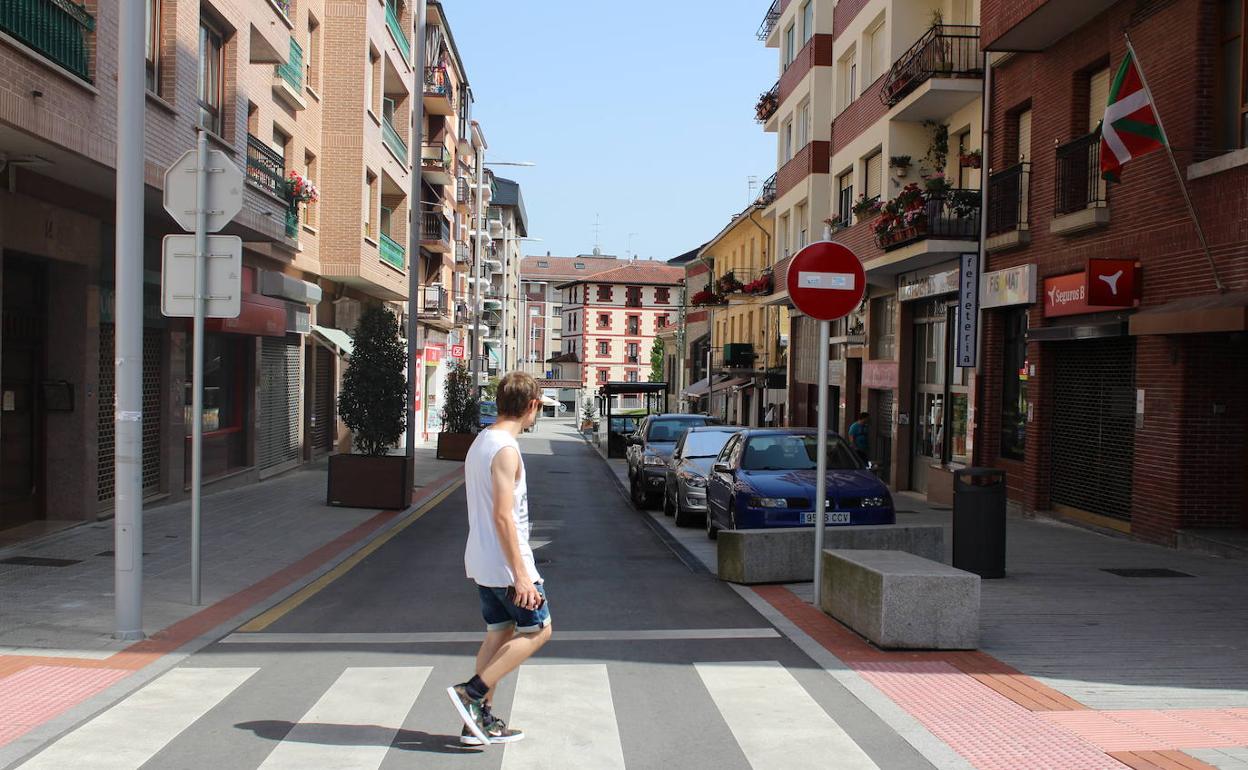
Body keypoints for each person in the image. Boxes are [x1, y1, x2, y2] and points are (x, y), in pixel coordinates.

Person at [447, 371, 552, 747]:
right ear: (531, 406)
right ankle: (472, 694)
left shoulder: (481, 442)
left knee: (498, 634)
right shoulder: (506, 449)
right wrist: (522, 576)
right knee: (540, 629)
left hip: (482, 559)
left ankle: (476, 723)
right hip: (508, 563)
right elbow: (504, 516)